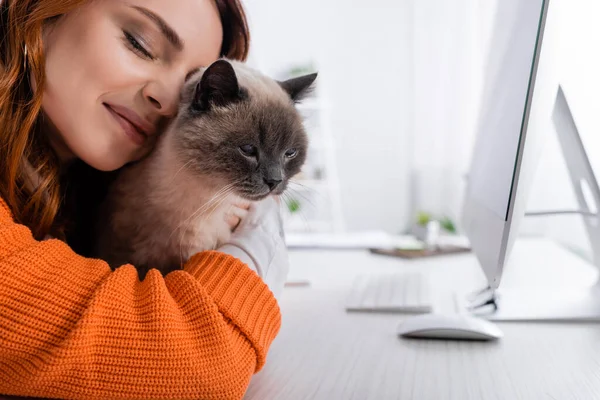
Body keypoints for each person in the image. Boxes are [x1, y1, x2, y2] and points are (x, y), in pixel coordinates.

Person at [0, 0, 289, 399]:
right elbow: (198, 367)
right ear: (40, 9)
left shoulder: (81, 196)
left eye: (195, 85)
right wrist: (257, 252)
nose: (171, 103)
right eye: (139, 43)